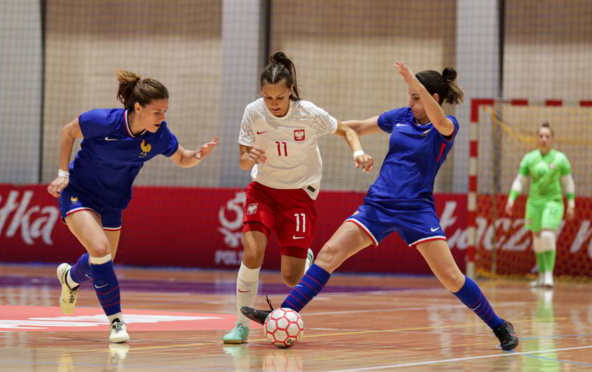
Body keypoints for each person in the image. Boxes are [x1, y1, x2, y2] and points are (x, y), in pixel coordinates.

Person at [241, 61, 520, 351]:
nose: (409, 102)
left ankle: (500, 325)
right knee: (329, 254)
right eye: (410, 96)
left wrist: (417, 83)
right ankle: (284, 314)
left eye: (415, 97)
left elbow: (440, 121)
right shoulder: (401, 117)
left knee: (451, 278)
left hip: (416, 210)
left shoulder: (446, 126)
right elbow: (358, 127)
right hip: (377, 205)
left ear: (431, 98)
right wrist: (302, 130)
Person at [47, 70, 219, 343]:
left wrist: (197, 155)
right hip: (79, 192)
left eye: (165, 111)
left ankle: (70, 277)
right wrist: (62, 174)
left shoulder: (158, 135)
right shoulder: (103, 121)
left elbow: (183, 157)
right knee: (100, 249)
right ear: (137, 108)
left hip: (113, 201)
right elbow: (69, 131)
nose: (162, 118)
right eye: (157, 112)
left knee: (102, 261)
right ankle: (116, 322)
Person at [223, 52, 373, 344]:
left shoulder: (309, 113)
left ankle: (305, 257)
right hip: (263, 189)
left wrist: (358, 152)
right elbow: (242, 161)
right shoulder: (253, 112)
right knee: (252, 253)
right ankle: (241, 325)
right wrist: (248, 155)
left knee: (291, 278)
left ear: (290, 91)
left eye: (279, 97)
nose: (274, 103)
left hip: (299, 195)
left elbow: (346, 130)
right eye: (268, 97)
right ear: (261, 93)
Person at [505, 122, 575, 288]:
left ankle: (549, 276)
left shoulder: (560, 158)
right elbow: (520, 180)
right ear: (537, 138)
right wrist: (511, 199)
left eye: (547, 136)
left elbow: (568, 182)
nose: (544, 139)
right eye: (541, 136)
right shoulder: (530, 158)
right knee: (537, 240)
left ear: (552, 139)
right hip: (534, 203)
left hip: (553, 202)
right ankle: (542, 275)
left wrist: (571, 203)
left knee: (547, 235)